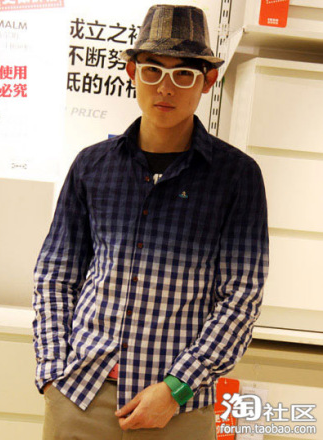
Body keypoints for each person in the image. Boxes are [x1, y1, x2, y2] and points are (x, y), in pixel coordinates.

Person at [32, 5, 269, 439]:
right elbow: (55, 274)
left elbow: (241, 296)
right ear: (131, 72)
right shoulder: (92, 166)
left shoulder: (236, 177)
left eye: (184, 74)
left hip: (178, 407)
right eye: (153, 70)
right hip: (81, 393)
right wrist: (51, 371)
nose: (165, 87)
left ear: (208, 80)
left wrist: (177, 388)